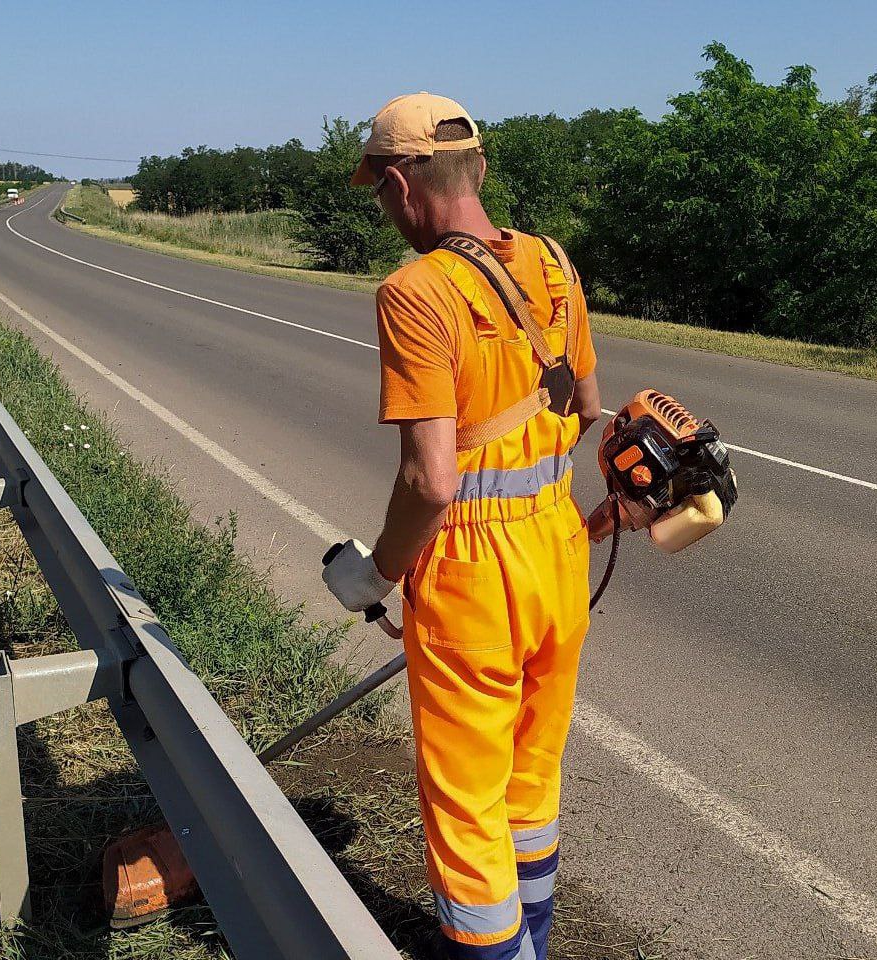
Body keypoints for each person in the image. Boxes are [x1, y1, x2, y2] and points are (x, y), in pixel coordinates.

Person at [322, 92, 600, 960]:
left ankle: (488, 952)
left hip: (474, 577)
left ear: (403, 186)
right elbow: (586, 409)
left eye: (379, 192)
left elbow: (429, 481)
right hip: (559, 555)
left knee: (467, 800)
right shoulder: (553, 263)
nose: (383, 207)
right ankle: (533, 941)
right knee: (530, 775)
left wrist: (378, 576)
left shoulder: (414, 292)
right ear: (475, 168)